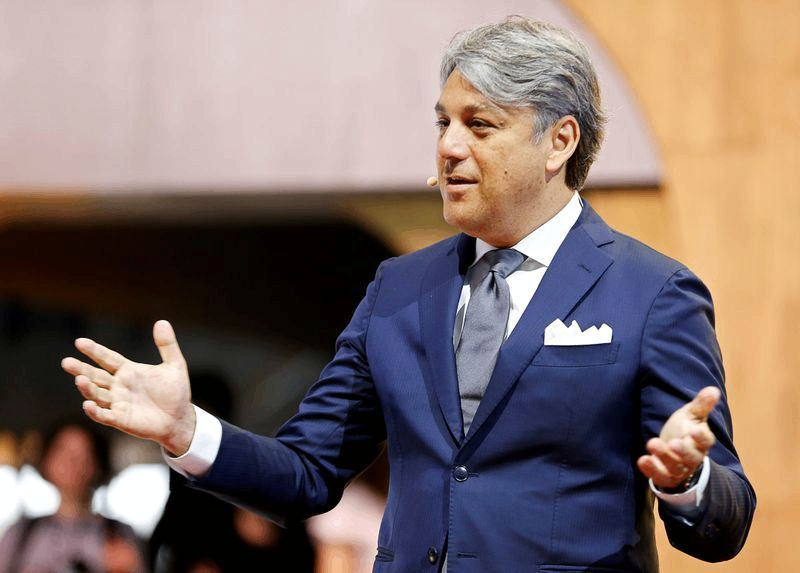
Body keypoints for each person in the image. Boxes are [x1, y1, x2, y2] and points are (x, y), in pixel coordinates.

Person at [61, 16, 755, 572]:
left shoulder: (652, 292)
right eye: (443, 122)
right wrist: (187, 431)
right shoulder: (400, 289)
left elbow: (726, 523)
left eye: (480, 125)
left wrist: (686, 479)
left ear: (559, 142)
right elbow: (306, 471)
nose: (449, 146)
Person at [0, 419, 145, 573]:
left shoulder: (120, 535)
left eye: (83, 454)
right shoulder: (20, 533)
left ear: (97, 466)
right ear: (46, 461)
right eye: (63, 451)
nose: (72, 462)